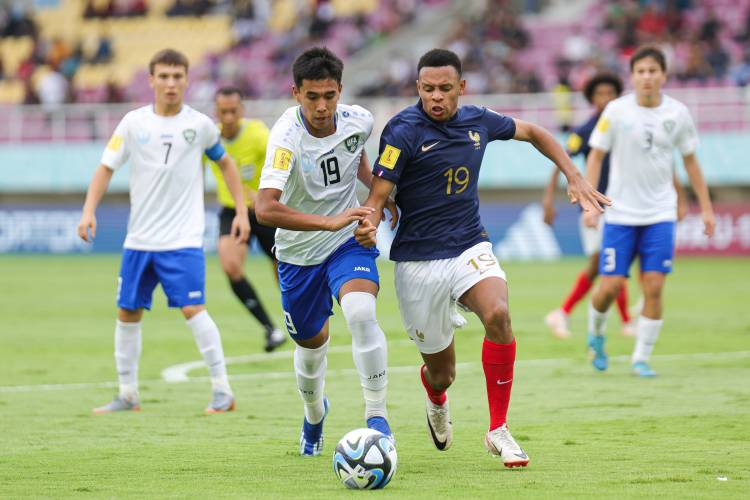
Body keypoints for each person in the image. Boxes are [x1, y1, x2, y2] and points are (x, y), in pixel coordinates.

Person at [355, 48, 609, 467]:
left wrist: (574, 174)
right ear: (418, 87)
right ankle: (435, 394)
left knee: (498, 314)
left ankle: (498, 429)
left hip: (471, 245)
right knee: (443, 373)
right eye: (428, 89)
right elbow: (378, 197)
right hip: (418, 262)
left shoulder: (479, 120)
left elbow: (536, 133)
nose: (436, 97)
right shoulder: (401, 131)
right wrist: (369, 221)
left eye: (445, 89)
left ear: (462, 88)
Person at [77, 49, 250, 414]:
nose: (171, 83)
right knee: (127, 313)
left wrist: (241, 211)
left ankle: (223, 390)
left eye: (177, 76)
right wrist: (89, 210)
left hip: (182, 240)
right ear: (151, 79)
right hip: (139, 240)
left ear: (186, 80)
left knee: (193, 308)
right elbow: (105, 167)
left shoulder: (200, 125)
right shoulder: (132, 123)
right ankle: (127, 394)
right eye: (164, 76)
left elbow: (226, 164)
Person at [254, 47, 399, 456]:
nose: (322, 106)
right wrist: (327, 221)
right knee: (311, 345)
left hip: (345, 243)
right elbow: (264, 208)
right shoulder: (284, 138)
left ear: (340, 91)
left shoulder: (360, 121)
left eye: (329, 96)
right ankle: (314, 413)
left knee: (361, 312)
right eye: (312, 96)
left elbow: (355, 156)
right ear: (295, 93)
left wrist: (376, 196)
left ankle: (377, 418)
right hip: (298, 255)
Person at [584, 46, 715, 378]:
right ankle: (596, 334)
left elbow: (690, 162)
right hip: (620, 214)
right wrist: (590, 201)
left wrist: (706, 208)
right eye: (640, 71)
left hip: (660, 213)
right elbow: (596, 156)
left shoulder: (678, 113)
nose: (646, 77)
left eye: (652, 71)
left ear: (663, 76)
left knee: (654, 286)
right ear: (633, 76)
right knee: (610, 287)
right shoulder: (616, 111)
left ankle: (641, 358)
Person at [543, 73, 632, 339]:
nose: (605, 98)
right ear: (591, 98)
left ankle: (564, 314)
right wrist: (548, 200)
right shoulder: (582, 131)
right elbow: (561, 161)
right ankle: (623, 321)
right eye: (600, 94)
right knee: (606, 261)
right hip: (593, 206)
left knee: (609, 262)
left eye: (610, 93)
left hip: (622, 205)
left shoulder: (625, 127)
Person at [206, 86, 286, 352]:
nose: (228, 117)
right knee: (230, 266)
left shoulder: (258, 133)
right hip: (232, 211)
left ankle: (297, 322)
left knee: (284, 273)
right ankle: (269, 328)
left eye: (233, 111)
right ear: (216, 113)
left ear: (242, 111)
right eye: (223, 112)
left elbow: (281, 163)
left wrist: (264, 192)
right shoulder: (209, 138)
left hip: (265, 211)